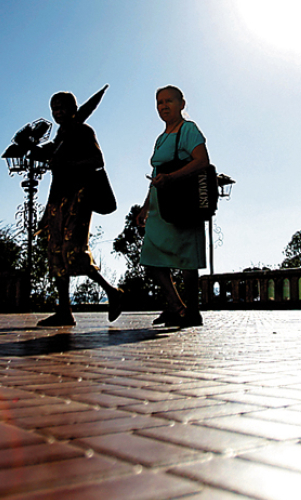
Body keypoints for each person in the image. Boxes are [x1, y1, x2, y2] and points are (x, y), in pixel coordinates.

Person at [36, 91, 124, 327]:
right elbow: (54, 172)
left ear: (74, 108)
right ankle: (64, 310)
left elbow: (97, 161)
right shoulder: (60, 139)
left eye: (62, 107)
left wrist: (66, 164)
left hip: (79, 198)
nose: (58, 112)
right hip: (57, 199)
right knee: (55, 254)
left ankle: (113, 292)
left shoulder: (84, 132)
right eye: (54, 108)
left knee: (72, 251)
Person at [137, 86, 209, 327]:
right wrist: (146, 206)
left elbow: (202, 161)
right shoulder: (161, 138)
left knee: (187, 258)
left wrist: (172, 178)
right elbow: (156, 173)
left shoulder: (188, 130)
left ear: (182, 104)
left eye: (169, 101)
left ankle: (193, 312)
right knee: (152, 259)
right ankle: (176, 307)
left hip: (183, 202)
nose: (163, 106)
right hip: (160, 205)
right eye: (159, 102)